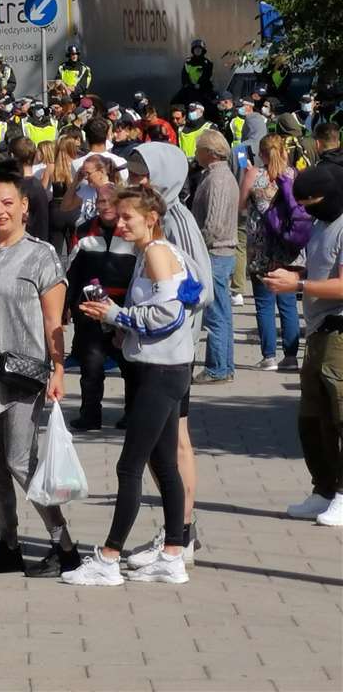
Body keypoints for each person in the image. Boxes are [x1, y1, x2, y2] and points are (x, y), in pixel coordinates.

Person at [66, 185, 202, 585]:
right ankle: (173, 551)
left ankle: (109, 558)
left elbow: (171, 314)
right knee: (163, 462)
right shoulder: (152, 253)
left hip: (161, 372)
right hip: (159, 367)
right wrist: (121, 324)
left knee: (129, 465)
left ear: (152, 219)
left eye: (128, 217)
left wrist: (117, 316)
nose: (119, 222)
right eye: (118, 215)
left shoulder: (158, 253)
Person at [0, 170, 80, 577]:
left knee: (20, 461)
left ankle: (64, 545)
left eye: (7, 203)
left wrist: (58, 368)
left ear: (24, 207)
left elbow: (55, 321)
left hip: (23, 373)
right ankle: (9, 545)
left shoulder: (41, 255)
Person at [123, 144, 214, 558]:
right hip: (158, 347)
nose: (137, 182)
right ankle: (179, 531)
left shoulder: (175, 219)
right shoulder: (166, 213)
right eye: (135, 174)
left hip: (170, 351)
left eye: (144, 176)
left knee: (174, 441)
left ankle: (182, 531)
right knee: (168, 440)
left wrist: (161, 312)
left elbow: (201, 287)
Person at [264, 164, 343, 526]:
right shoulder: (321, 227)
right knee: (313, 419)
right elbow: (320, 273)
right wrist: (295, 275)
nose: (307, 209)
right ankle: (323, 490)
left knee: (339, 416)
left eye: (311, 202)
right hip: (317, 332)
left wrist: (297, 287)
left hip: (338, 334)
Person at [66, 185, 135, 430]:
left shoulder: (130, 231)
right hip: (91, 309)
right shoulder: (84, 231)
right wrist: (70, 306)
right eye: (100, 201)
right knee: (91, 367)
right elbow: (72, 271)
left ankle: (132, 414)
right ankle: (90, 414)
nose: (103, 206)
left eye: (108, 201)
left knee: (129, 366)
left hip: (123, 308)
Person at [242, 134, 308, 370]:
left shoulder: (254, 175)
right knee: (288, 303)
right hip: (289, 249)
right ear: (283, 151)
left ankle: (269, 356)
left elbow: (240, 206)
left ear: (261, 154)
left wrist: (246, 177)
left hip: (261, 249)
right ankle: (290, 357)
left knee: (264, 303)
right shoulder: (292, 175)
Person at [188, 130, 240, 383]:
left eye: (198, 149)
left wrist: (196, 244)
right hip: (221, 251)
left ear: (209, 152)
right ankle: (224, 366)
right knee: (222, 313)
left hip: (215, 252)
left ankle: (218, 368)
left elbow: (214, 223)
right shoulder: (218, 175)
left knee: (215, 314)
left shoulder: (217, 178)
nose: (196, 153)